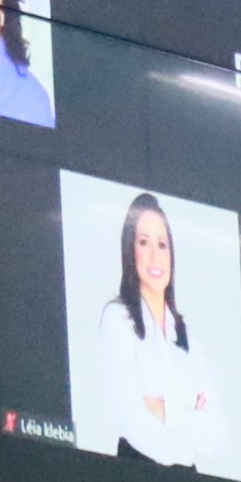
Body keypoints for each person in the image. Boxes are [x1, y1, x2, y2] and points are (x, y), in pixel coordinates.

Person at [92, 192, 213, 465]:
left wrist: (162, 409)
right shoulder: (118, 317)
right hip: (138, 469)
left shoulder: (186, 334)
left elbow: (214, 432)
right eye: (144, 242)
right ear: (129, 249)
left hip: (188, 476)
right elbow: (133, 417)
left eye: (162, 244)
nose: (154, 256)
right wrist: (188, 411)